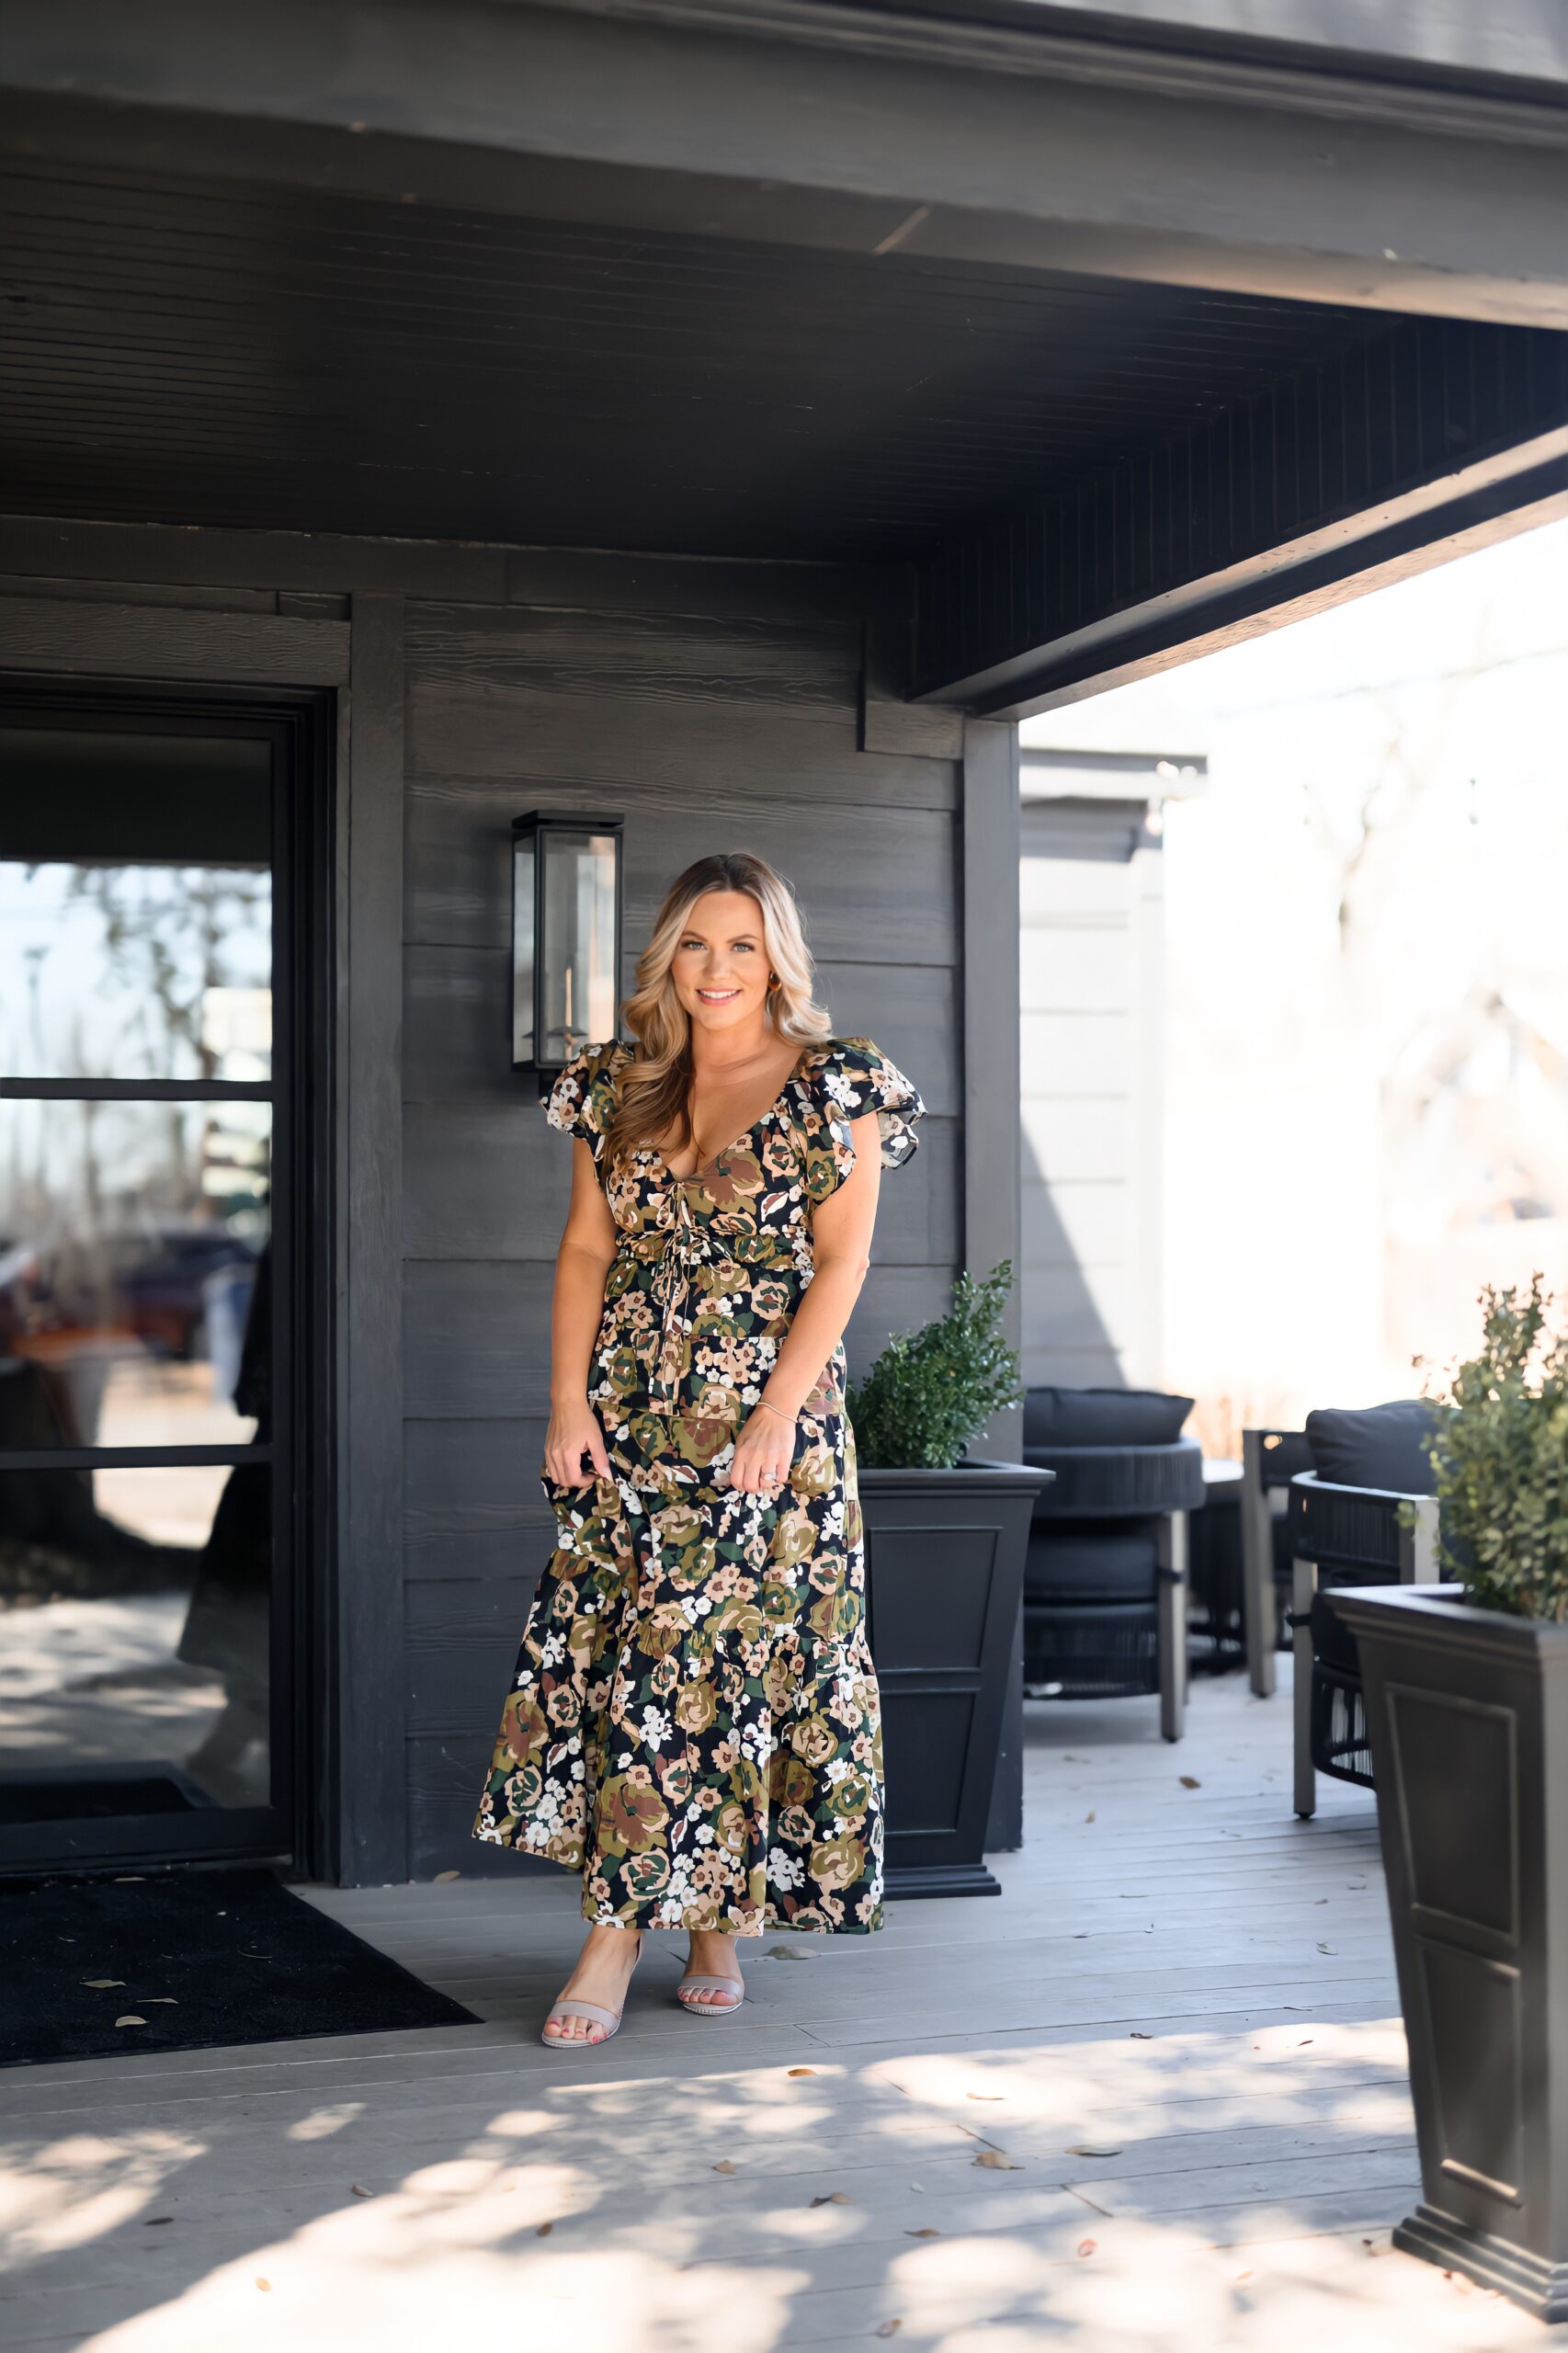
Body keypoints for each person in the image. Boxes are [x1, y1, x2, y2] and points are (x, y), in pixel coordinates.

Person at [472, 849, 925, 2047]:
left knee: (699, 1662)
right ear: (663, 957)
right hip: (631, 1415)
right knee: (651, 1663)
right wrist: (566, 1404)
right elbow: (584, 1253)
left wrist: (779, 1410)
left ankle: (613, 1937)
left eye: (739, 944)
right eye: (693, 944)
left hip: (766, 1434)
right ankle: (709, 1924)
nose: (716, 968)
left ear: (776, 954)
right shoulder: (611, 1088)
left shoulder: (842, 1085)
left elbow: (844, 1262)